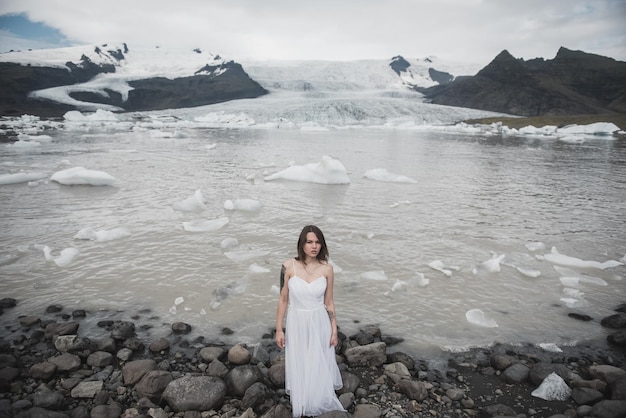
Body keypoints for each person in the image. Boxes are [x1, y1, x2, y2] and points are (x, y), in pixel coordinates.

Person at [276, 225, 344, 417]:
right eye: (309, 242)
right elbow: (282, 299)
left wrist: (334, 330)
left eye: (317, 242)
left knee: (317, 359)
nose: (314, 246)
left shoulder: (327, 269)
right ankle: (303, 401)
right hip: (296, 320)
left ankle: (317, 399)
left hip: (319, 320)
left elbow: (329, 302)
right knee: (300, 359)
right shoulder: (288, 266)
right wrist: (279, 329)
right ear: (302, 244)